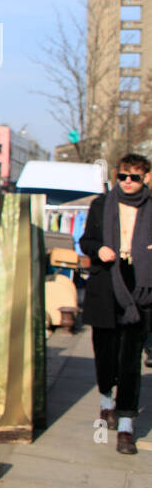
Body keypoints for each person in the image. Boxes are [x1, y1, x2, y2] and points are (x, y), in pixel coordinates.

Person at [79, 153, 152, 455]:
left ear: (145, 177)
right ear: (117, 176)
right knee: (106, 353)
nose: (128, 182)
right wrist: (100, 250)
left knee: (131, 359)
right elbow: (85, 241)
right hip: (106, 283)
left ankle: (126, 425)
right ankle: (106, 400)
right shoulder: (101, 204)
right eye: (123, 176)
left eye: (135, 177)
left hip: (141, 288)